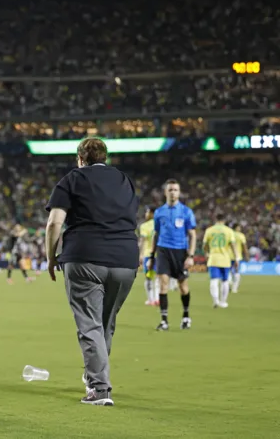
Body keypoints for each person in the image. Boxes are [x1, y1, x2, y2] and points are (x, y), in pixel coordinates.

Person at [45, 138, 139, 406]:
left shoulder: (73, 179)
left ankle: (99, 389)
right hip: (125, 260)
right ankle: (94, 376)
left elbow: (54, 223)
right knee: (105, 325)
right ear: (105, 157)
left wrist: (51, 258)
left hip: (85, 257)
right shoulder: (125, 181)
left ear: (80, 159)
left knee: (90, 325)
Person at [147, 179, 197, 331]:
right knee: (163, 284)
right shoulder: (159, 212)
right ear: (165, 192)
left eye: (175, 190)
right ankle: (164, 321)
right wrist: (152, 255)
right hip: (163, 250)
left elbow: (193, 235)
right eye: (170, 190)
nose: (173, 192)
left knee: (183, 286)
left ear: (179, 192)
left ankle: (186, 317)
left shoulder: (186, 212)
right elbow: (156, 234)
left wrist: (191, 256)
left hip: (180, 251)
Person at [203, 213, 238, 308]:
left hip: (213, 258)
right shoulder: (229, 231)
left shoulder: (209, 230)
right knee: (225, 281)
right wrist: (236, 258)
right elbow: (233, 246)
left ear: (215, 219)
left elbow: (205, 245)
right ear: (224, 220)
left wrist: (206, 253)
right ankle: (223, 302)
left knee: (214, 280)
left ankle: (215, 301)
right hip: (225, 259)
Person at [138, 208, 158, 306]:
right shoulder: (160, 223)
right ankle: (158, 299)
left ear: (151, 213)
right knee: (159, 277)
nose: (146, 214)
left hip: (148, 254)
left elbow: (142, 241)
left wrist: (140, 254)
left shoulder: (145, 226)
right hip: (159, 254)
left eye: (147, 212)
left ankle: (151, 299)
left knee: (149, 277)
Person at [230, 224, 249, 293]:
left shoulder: (230, 234)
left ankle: (229, 283)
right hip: (237, 256)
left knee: (229, 271)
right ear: (236, 228)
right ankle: (234, 288)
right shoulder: (241, 235)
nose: (240, 228)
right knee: (237, 271)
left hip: (228, 256)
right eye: (239, 227)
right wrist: (247, 255)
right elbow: (244, 246)